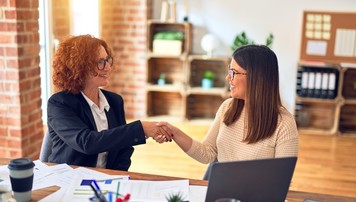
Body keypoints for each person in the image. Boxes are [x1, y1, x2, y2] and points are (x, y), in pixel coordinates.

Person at [47, 34, 172, 170]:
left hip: (106, 181)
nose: (107, 68)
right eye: (100, 62)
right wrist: (141, 129)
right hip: (68, 179)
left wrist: (117, 177)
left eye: (107, 60)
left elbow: (124, 148)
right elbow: (87, 142)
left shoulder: (114, 101)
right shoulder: (59, 103)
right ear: (79, 67)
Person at [156, 45, 298, 164]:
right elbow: (207, 153)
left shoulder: (284, 124)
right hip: (222, 193)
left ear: (256, 78)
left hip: (255, 196)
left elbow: (280, 179)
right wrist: (174, 132)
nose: (228, 77)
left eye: (234, 72)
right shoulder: (227, 107)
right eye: (229, 71)